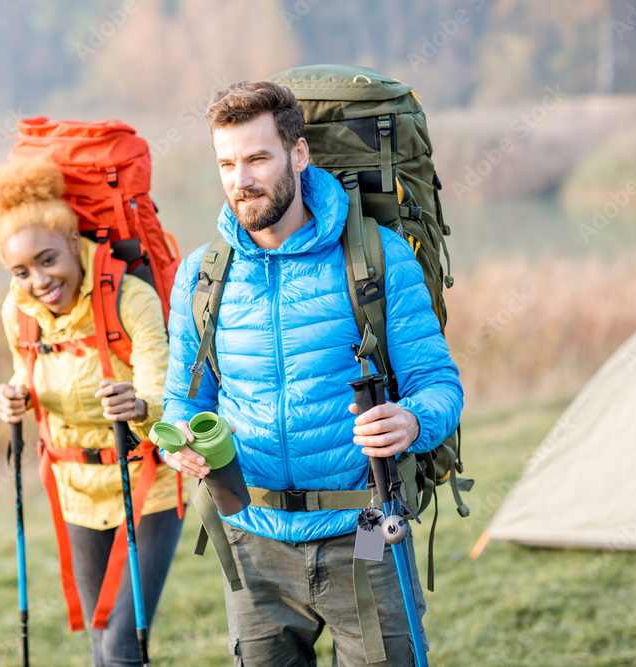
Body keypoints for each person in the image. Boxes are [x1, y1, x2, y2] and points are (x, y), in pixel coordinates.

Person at [161, 80, 463, 666]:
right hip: (252, 539)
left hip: (367, 529)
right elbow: (182, 400)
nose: (240, 180)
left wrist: (412, 421)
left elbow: (439, 385)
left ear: (299, 155)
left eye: (257, 158)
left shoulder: (377, 256)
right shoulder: (201, 275)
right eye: (226, 163)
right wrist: (178, 443)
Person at [0, 157, 183, 667]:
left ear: (72, 242)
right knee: (98, 642)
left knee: (121, 645)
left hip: (145, 483)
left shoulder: (130, 297)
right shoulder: (17, 312)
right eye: (20, 271)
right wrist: (14, 399)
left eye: (47, 260)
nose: (38, 281)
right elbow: (28, 376)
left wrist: (137, 405)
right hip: (75, 490)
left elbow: (163, 396)